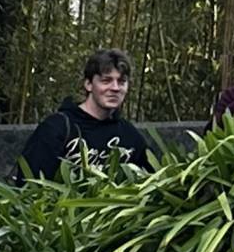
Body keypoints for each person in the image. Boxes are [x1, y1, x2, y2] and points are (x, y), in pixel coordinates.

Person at [18, 48, 150, 178]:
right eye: (106, 81)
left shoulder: (130, 136)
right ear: (88, 84)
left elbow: (154, 180)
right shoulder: (57, 128)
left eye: (121, 82)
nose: (115, 88)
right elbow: (28, 183)